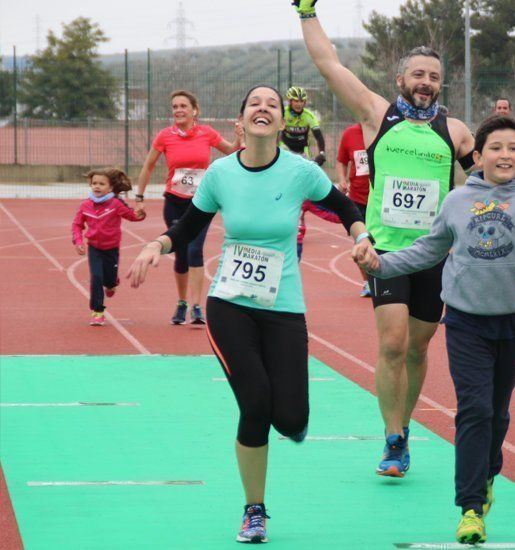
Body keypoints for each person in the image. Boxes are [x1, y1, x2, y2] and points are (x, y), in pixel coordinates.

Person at [127, 85, 370, 544]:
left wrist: (361, 236)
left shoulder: (299, 172)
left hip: (284, 308)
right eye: (255, 103)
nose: (264, 109)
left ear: (281, 125)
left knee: (292, 418)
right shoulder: (220, 174)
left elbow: (343, 206)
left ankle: (292, 423)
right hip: (230, 304)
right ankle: (254, 509)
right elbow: (190, 224)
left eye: (272, 105)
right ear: (240, 123)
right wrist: (156, 245)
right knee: (255, 402)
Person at [358, 115, 515, 544]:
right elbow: (428, 248)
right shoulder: (457, 201)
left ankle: (487, 476)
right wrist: (382, 265)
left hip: (514, 322)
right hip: (464, 322)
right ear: (477, 157)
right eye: (495, 147)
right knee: (474, 410)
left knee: (497, 413)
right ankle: (471, 508)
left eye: (513, 148)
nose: (505, 155)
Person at [293, 0, 476, 477]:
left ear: (440, 84)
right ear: (401, 80)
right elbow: (327, 63)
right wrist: (306, 11)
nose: (425, 83)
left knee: (418, 348)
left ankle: (405, 424)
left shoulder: (455, 131)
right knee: (392, 343)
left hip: (434, 254)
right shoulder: (376, 114)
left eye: (433, 77)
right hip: (385, 251)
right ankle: (392, 439)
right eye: (417, 74)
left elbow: (487, 187)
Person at [134, 89, 242, 325]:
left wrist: (239, 138)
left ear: (195, 110)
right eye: (175, 107)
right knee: (181, 254)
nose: (179, 110)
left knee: (195, 249)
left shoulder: (207, 133)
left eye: (183, 106)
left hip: (200, 203)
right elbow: (148, 166)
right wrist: (139, 196)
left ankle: (196, 306)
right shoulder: (165, 136)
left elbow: (232, 151)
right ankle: (182, 302)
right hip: (174, 202)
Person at [72, 168, 146, 326]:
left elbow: (131, 215)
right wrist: (78, 241)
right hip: (94, 248)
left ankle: (112, 283)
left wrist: (140, 214)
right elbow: (77, 225)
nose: (97, 186)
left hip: (111, 248)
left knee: (110, 281)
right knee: (96, 277)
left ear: (111, 187)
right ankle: (97, 311)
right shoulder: (85, 205)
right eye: (94, 183)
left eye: (101, 183)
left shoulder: (116, 204)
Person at [336, 122, 372, 296]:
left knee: (380, 242)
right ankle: (367, 283)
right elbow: (341, 161)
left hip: (379, 200)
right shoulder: (349, 134)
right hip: (357, 199)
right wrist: (342, 179)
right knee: (361, 242)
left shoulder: (381, 130)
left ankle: (384, 278)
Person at [281, 86, 327, 165]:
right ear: (290, 101)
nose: (299, 104)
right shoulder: (283, 113)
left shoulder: (309, 116)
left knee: (309, 170)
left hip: (302, 150)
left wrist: (322, 153)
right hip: (285, 147)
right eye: (296, 101)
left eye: (302, 101)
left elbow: (319, 136)